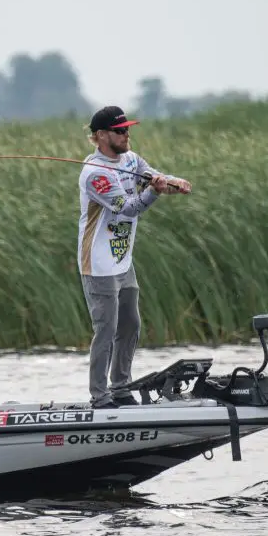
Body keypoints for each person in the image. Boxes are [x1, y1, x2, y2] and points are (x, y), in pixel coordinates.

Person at [77, 106, 191, 409]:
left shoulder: (130, 159)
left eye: (128, 129)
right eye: (120, 131)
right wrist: (154, 192)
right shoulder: (95, 175)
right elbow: (128, 208)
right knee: (106, 330)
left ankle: (121, 388)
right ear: (102, 136)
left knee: (130, 325)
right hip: (98, 264)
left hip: (122, 261)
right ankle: (100, 397)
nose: (127, 134)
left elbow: (153, 176)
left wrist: (174, 182)